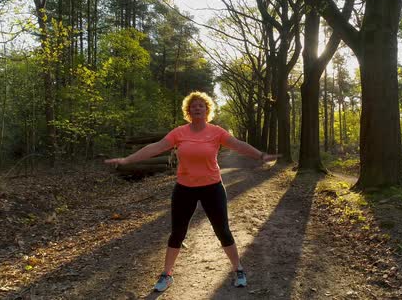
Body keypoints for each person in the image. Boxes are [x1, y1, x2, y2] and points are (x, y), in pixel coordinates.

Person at [105, 91, 279, 292]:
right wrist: (127, 160)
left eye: (201, 106)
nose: (197, 108)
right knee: (177, 232)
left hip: (212, 187)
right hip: (184, 189)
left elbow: (238, 145)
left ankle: (238, 269)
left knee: (222, 230)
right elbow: (155, 147)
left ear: (207, 110)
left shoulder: (217, 132)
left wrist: (260, 155)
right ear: (188, 111)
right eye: (193, 106)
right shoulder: (179, 133)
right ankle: (167, 274)